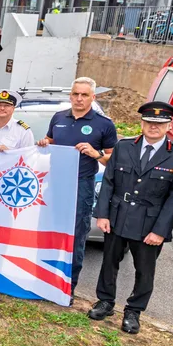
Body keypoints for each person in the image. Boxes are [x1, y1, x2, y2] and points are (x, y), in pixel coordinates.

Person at [89, 102, 173, 334]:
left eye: (159, 123)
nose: (153, 127)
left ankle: (134, 311)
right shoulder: (124, 147)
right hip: (117, 216)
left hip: (149, 223)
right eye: (149, 122)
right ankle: (105, 302)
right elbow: (108, 182)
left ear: (169, 125)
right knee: (109, 262)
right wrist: (102, 214)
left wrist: (160, 231)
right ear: (142, 123)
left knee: (145, 270)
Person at [37, 77, 116, 290]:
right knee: (49, 231)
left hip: (81, 185)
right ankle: (43, 278)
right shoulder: (58, 117)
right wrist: (46, 142)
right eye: (75, 94)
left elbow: (113, 158)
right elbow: (51, 139)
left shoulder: (104, 124)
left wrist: (95, 153)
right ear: (70, 95)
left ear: (93, 97)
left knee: (76, 236)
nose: (79, 99)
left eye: (84, 95)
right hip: (55, 183)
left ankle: (68, 286)